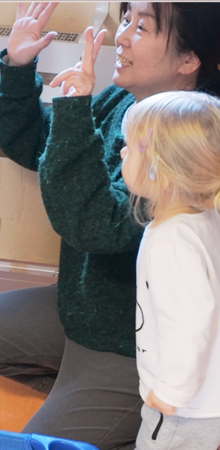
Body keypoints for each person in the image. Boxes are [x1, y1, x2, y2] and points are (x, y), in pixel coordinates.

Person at [0, 2, 220, 449]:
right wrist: (18, 67)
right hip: (88, 306)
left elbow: (97, 225)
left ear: (189, 61)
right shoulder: (124, 100)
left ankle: (118, 410)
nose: (123, 35)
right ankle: (89, 397)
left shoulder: (188, 149)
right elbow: (37, 142)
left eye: (142, 27)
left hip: (133, 343)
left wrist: (74, 112)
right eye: (126, 19)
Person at [120, 90, 220, 449]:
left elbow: (189, 326)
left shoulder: (172, 244)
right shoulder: (206, 218)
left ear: (156, 169)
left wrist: (169, 393)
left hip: (187, 411)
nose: (121, 153)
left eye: (129, 147)